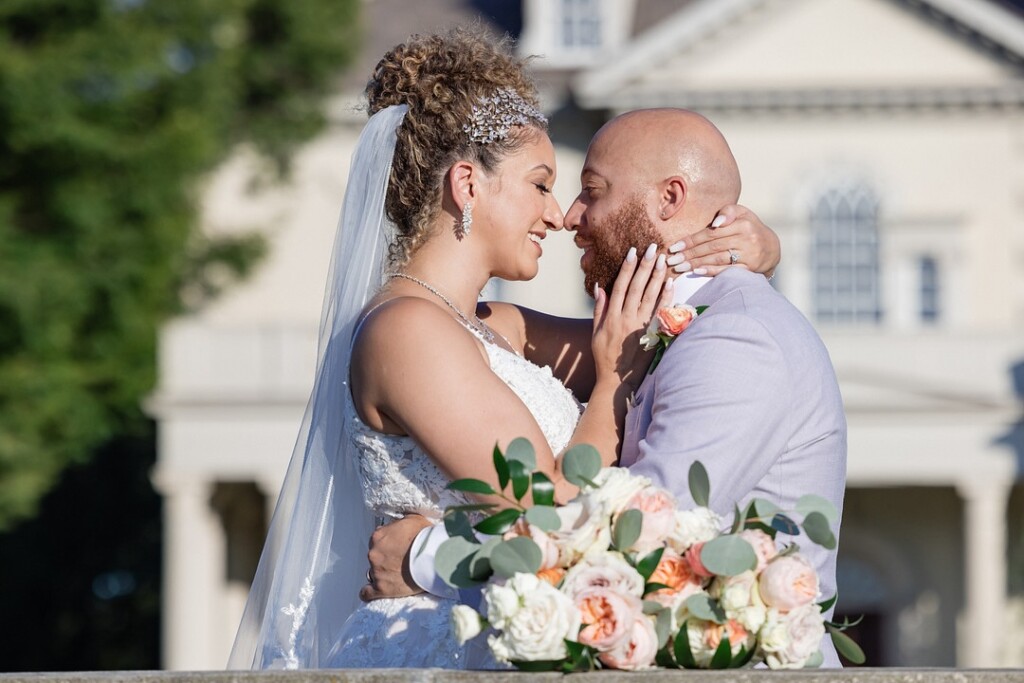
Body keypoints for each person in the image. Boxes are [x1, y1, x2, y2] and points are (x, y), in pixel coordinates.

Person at [228, 29, 781, 671]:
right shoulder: (405, 334)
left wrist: (751, 256)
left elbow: (663, 335)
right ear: (467, 184)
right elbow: (550, 513)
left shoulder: (497, 328)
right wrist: (607, 387)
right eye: (541, 184)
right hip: (436, 647)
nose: (558, 215)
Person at [368, 109, 847, 666]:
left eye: (589, 191)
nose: (569, 216)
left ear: (670, 199)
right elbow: (479, 328)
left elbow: (636, 545)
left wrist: (427, 557)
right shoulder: (648, 331)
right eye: (545, 186)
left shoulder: (737, 339)